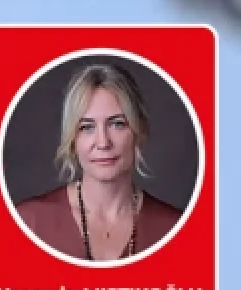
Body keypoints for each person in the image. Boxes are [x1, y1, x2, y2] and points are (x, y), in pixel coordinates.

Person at [14, 62, 183, 262]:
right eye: (87, 127)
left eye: (117, 124)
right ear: (73, 138)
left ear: (139, 131)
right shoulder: (29, 222)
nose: (103, 142)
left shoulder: (174, 226)